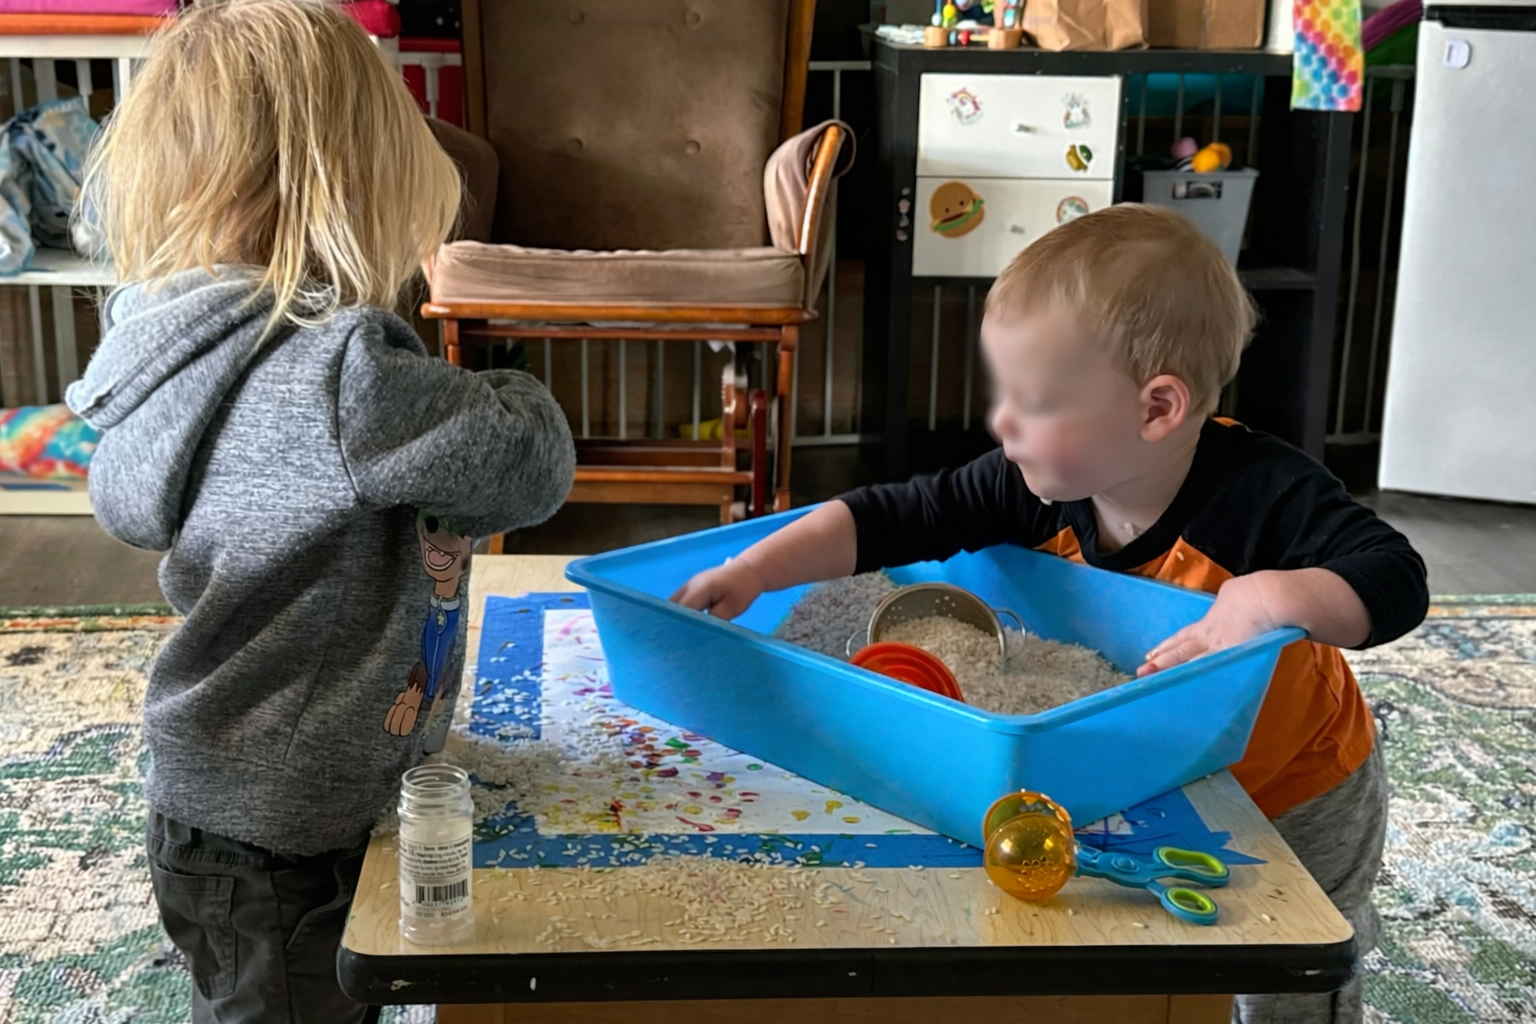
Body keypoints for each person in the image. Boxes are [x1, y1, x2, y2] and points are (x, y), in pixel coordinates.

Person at [674, 204, 1428, 1024]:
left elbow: (1396, 577)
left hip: (1295, 786)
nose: (1001, 424)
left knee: (1290, 961)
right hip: (1156, 773)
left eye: (1031, 402)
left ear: (1156, 409)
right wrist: (754, 568)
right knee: (1167, 962)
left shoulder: (1262, 493)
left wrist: (1271, 598)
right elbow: (887, 516)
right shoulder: (1037, 482)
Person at [65, 2, 576, 1021]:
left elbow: (125, 504)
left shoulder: (162, 349)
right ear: (357, 180)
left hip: (209, 794)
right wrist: (507, 382)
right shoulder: (347, 372)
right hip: (294, 831)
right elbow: (531, 466)